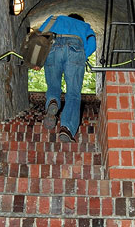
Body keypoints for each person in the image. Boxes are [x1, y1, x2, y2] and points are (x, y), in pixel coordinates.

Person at [38, 13, 96, 142]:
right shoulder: (85, 26)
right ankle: (67, 128)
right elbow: (92, 43)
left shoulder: (54, 19)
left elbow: (40, 34)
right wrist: (82, 56)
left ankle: (53, 101)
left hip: (53, 47)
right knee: (73, 93)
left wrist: (37, 60)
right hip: (76, 48)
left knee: (53, 86)